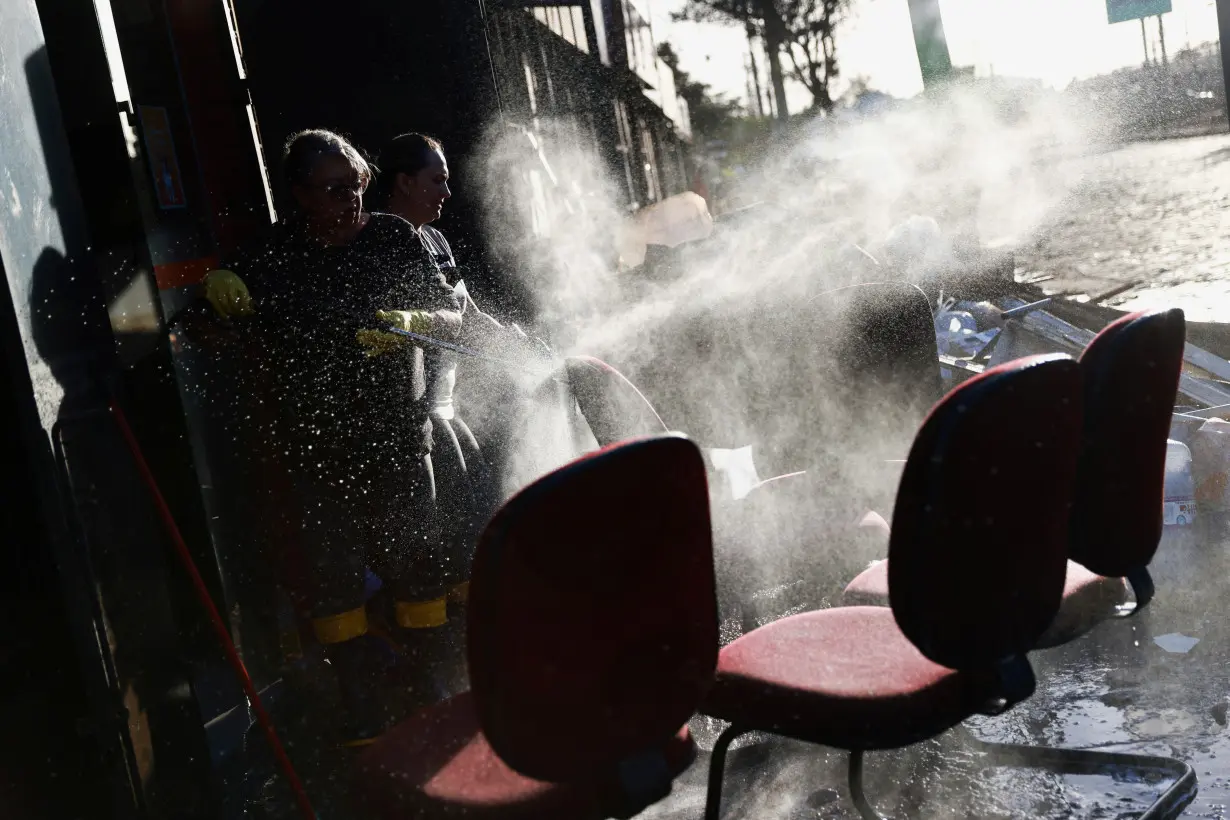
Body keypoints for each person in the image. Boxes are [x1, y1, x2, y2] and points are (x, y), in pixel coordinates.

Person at [200, 129, 464, 745]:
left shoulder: (394, 239)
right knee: (336, 588)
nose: (350, 199)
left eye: (356, 185)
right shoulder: (273, 255)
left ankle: (433, 700)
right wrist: (216, 297)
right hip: (317, 451)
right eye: (333, 190)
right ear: (299, 195)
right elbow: (209, 330)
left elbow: (454, 319)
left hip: (400, 438)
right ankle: (363, 713)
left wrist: (416, 322)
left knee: (419, 575)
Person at [373, 133, 542, 629]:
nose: (447, 192)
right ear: (404, 182)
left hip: (446, 404)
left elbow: (464, 313)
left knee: (483, 506)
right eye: (437, 180)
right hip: (415, 415)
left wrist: (521, 349)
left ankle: (483, 618)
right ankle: (452, 636)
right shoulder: (381, 239)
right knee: (455, 526)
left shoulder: (436, 239)